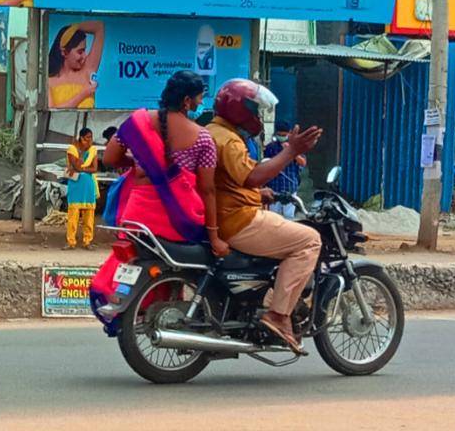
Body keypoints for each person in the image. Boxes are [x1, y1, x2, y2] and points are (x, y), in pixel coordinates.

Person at [206, 79, 322, 355]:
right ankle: (279, 314)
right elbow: (253, 176)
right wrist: (291, 151)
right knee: (310, 240)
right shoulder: (228, 140)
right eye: (253, 109)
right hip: (239, 220)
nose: (257, 116)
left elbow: (229, 183)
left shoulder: (214, 131)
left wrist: (258, 194)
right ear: (239, 109)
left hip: (230, 213)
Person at [103, 71, 221, 249]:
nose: (201, 102)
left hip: (137, 220)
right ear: (187, 101)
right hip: (179, 223)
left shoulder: (137, 122)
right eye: (200, 97)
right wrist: (214, 237)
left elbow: (109, 158)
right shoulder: (203, 137)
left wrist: (141, 161)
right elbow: (208, 190)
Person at [47, 21, 105, 109]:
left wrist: (74, 27)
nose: (85, 56)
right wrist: (84, 94)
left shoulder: (87, 70)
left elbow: (99, 27)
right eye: (80, 52)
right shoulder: (48, 81)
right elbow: (52, 112)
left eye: (84, 50)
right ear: (64, 52)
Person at [264, 120, 307, 219]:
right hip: (274, 189)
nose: (282, 137)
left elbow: (303, 163)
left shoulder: (295, 146)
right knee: (274, 218)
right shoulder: (271, 147)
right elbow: (265, 164)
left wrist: (290, 151)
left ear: (289, 133)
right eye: (279, 135)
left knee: (289, 217)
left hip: (290, 187)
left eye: (284, 135)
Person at [65, 128, 99, 250]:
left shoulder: (93, 150)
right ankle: (71, 241)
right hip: (76, 185)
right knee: (73, 214)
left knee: (89, 215)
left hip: (88, 185)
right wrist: (81, 153)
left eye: (91, 137)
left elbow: (94, 169)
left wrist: (82, 169)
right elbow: (76, 166)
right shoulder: (72, 149)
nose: (89, 140)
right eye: (87, 138)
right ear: (81, 137)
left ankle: (87, 241)